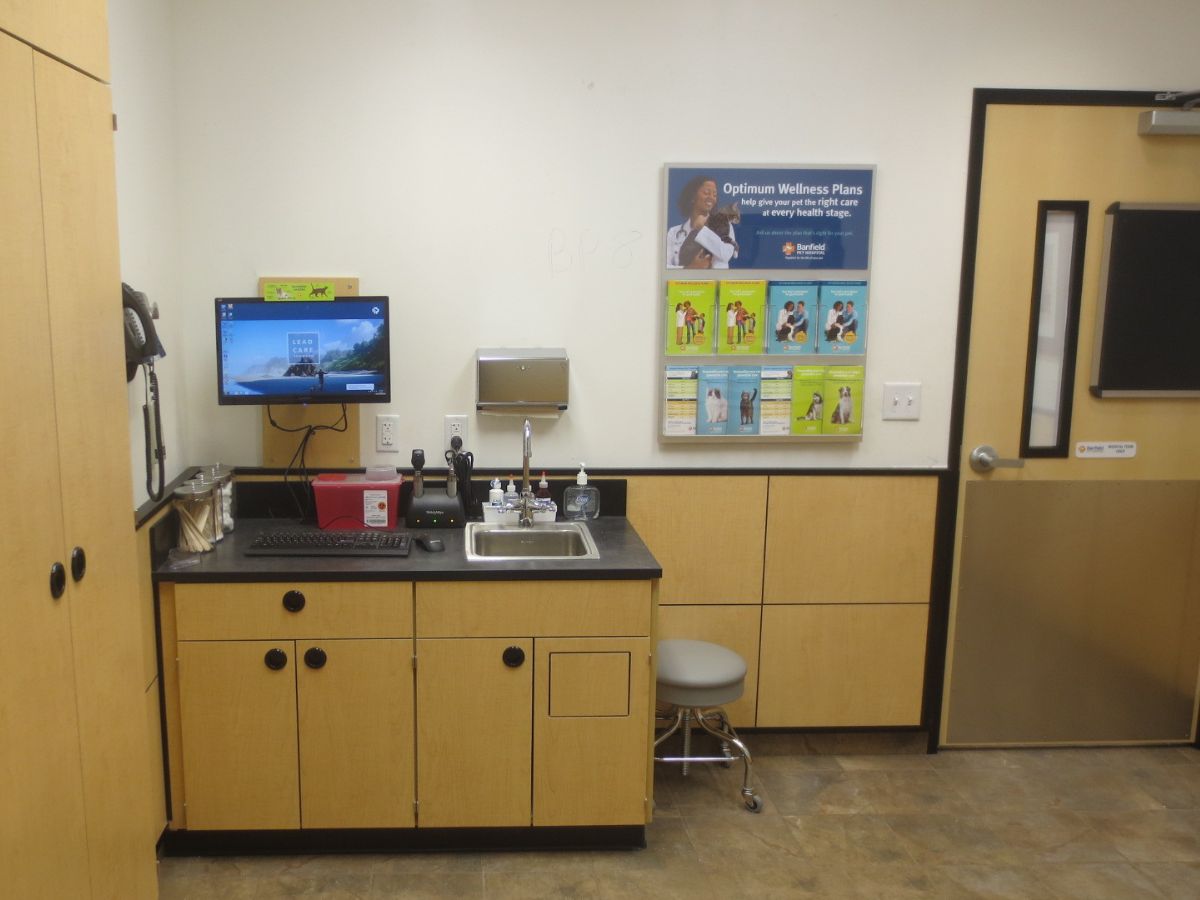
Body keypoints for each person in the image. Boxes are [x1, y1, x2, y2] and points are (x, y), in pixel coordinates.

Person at [666, 175, 737, 269]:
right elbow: (665, 266)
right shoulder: (673, 232)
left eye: (715, 195)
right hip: (685, 283)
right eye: (706, 192)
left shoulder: (725, 225)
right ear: (692, 196)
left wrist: (702, 230)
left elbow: (726, 254)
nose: (711, 197)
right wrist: (690, 268)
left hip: (715, 283)